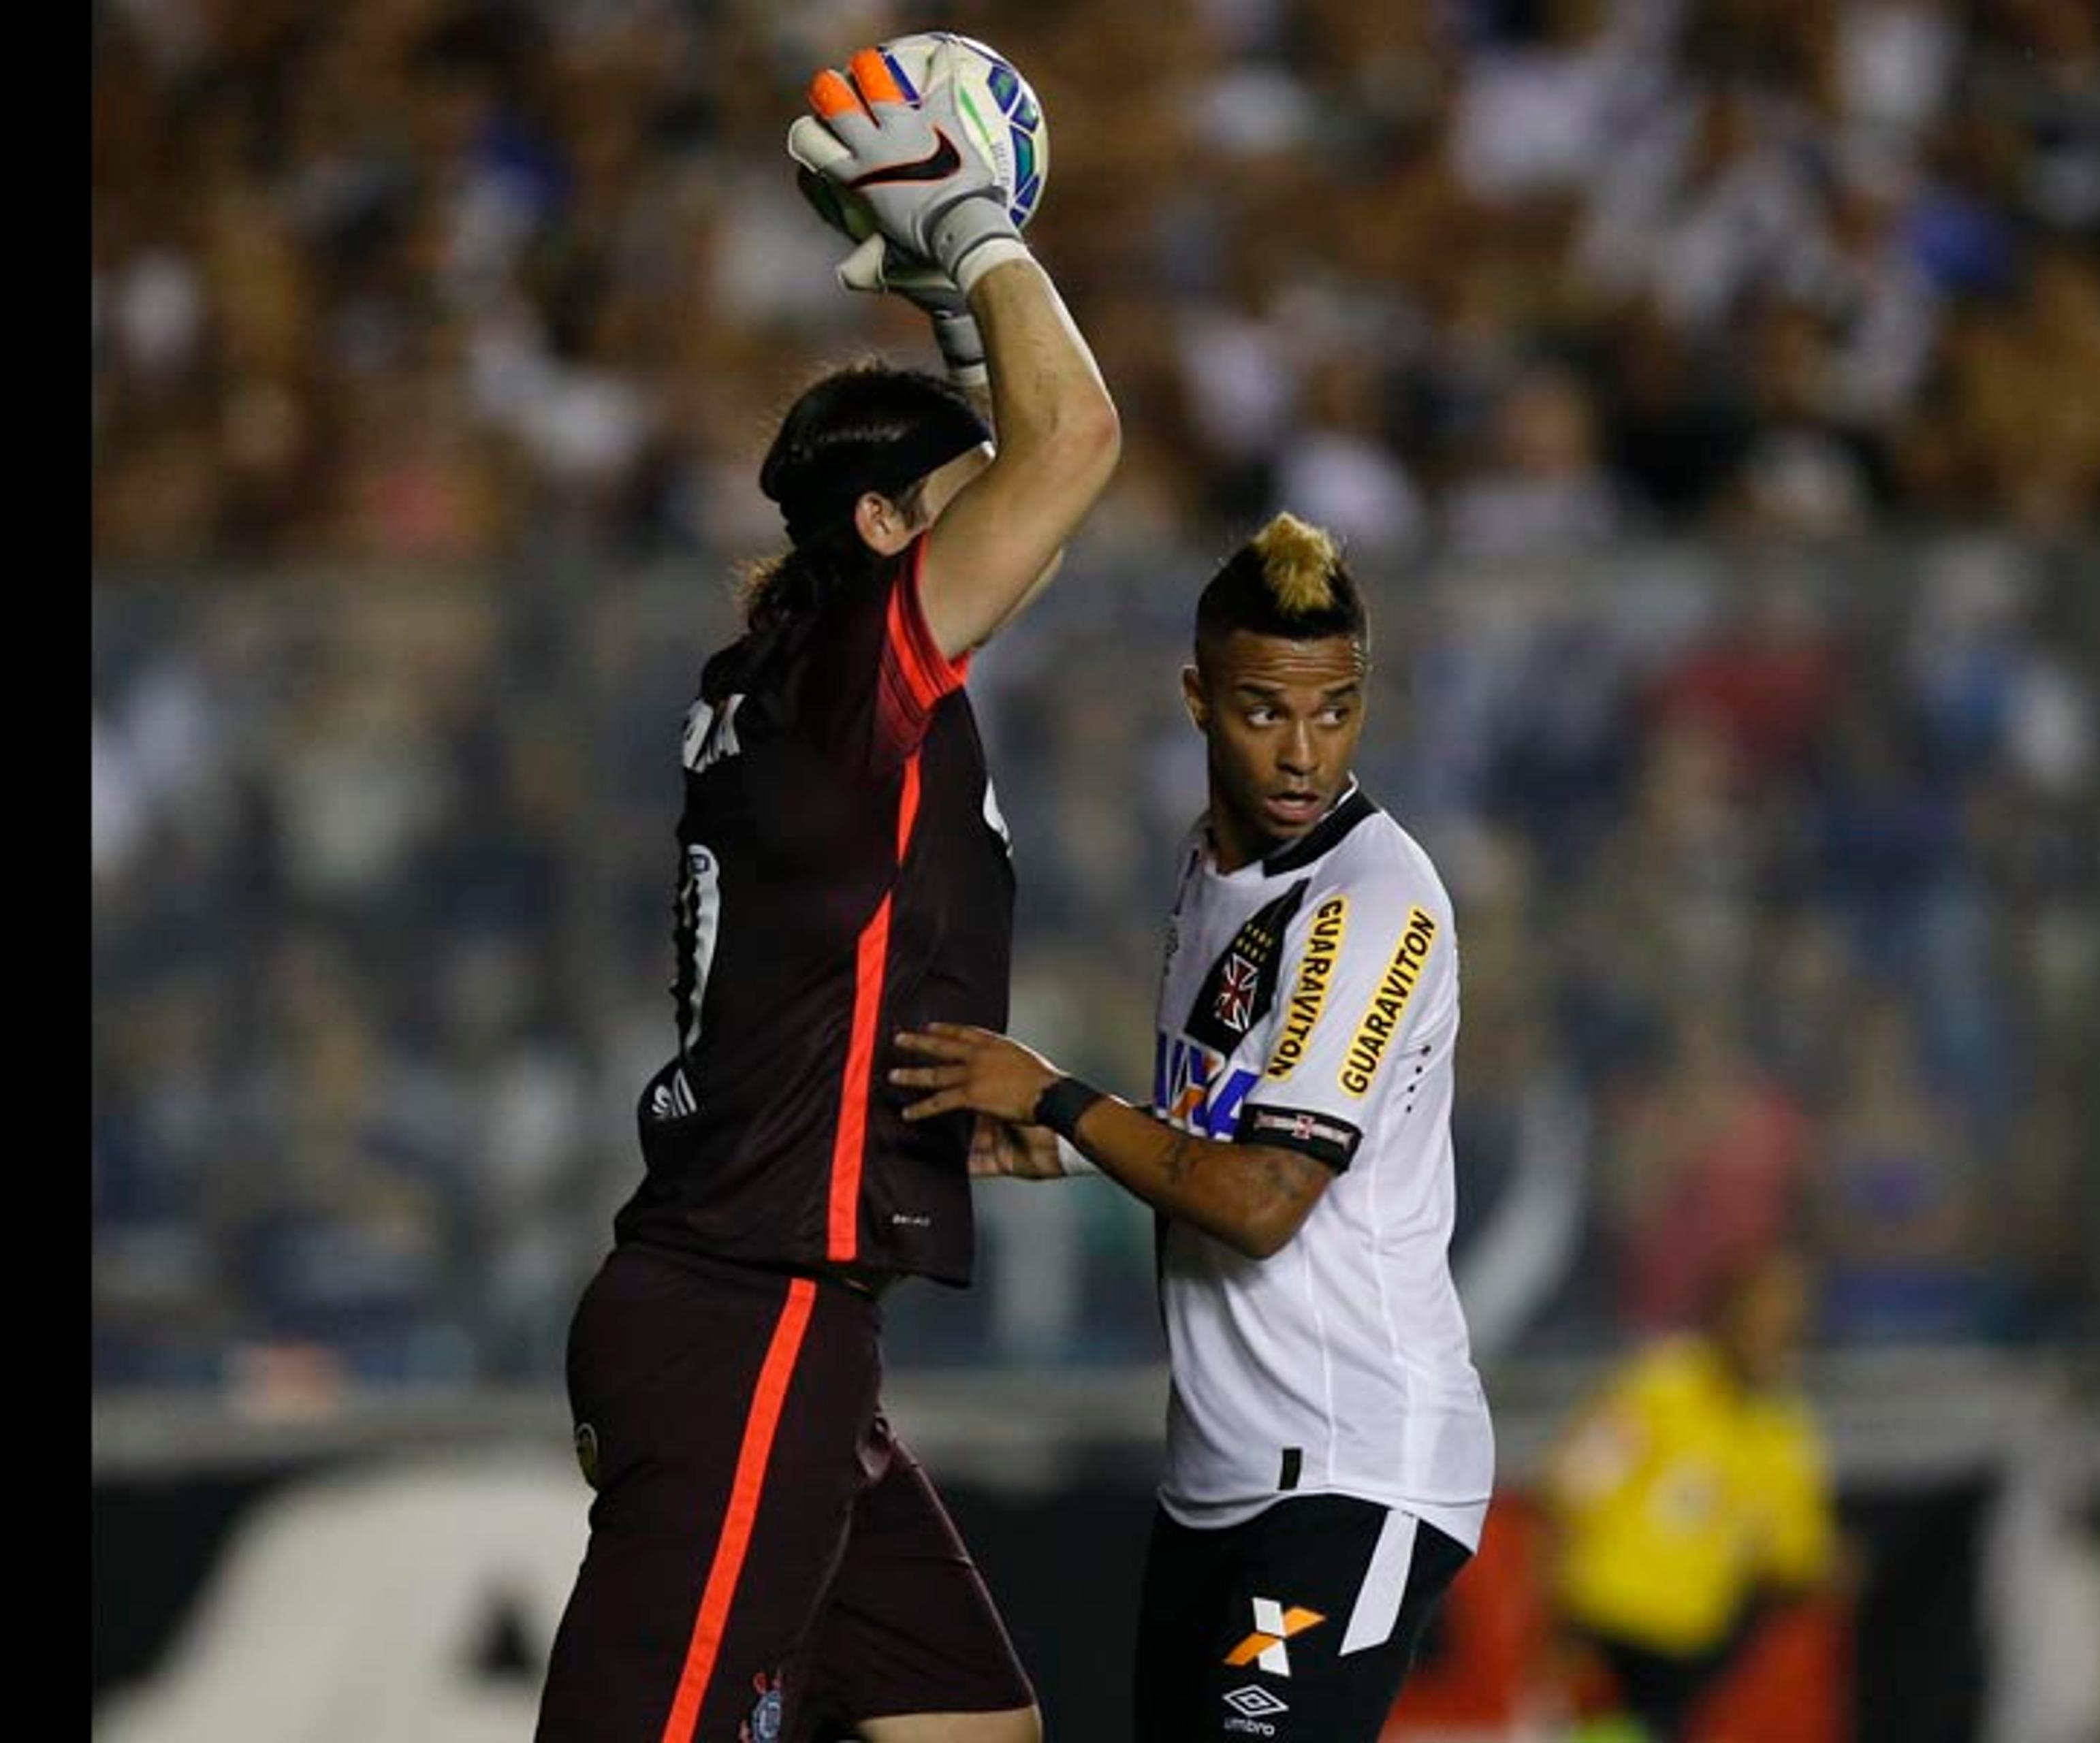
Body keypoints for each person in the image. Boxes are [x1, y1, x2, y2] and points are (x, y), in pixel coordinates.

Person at [534, 42, 1120, 1743]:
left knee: (966, 1724)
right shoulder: (852, 671)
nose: (999, 537)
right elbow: (1073, 441)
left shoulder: (803, 670)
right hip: (750, 1311)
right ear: (881, 528)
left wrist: (954, 321)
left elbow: (1035, 480)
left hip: (768, 1305)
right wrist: (973, 227)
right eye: (949, 503)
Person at [888, 512, 1495, 1743]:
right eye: (1265, 710)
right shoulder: (1206, 869)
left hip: (1354, 1466)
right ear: (1197, 699)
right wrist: (1063, 1143)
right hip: (1219, 1479)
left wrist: (1057, 1094)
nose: (1301, 754)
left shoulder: (1368, 905)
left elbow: (1264, 1201)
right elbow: (1214, 1123)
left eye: (1335, 711)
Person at [1537, 1247, 1842, 1742]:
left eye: (1788, 1323)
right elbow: (1568, 1489)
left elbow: (1796, 1556)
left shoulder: (1788, 1434)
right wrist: (1558, 1619)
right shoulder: (1659, 1390)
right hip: (1606, 1633)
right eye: (1762, 1317)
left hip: (1690, 1652)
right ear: (1724, 1313)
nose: (1774, 1335)